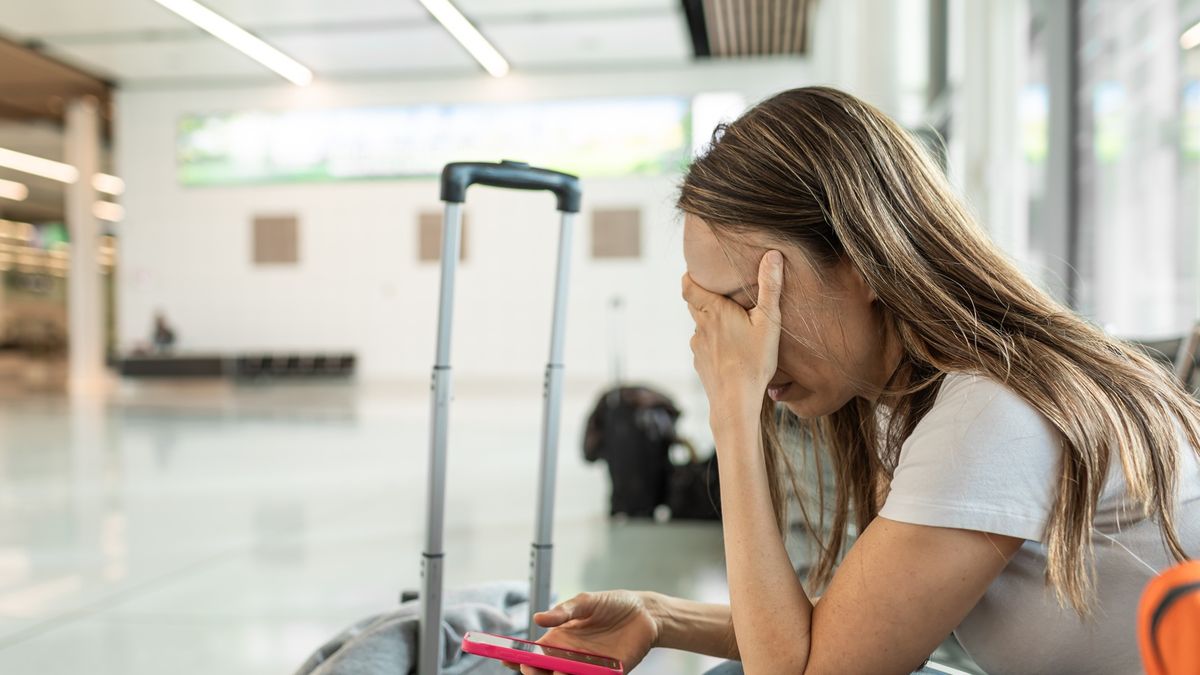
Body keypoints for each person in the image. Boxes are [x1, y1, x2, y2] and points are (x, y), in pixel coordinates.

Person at [508, 87, 1200, 674]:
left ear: (863, 260)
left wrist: (733, 413)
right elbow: (833, 634)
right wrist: (657, 613)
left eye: (750, 303)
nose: (737, 344)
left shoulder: (989, 414)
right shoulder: (910, 404)